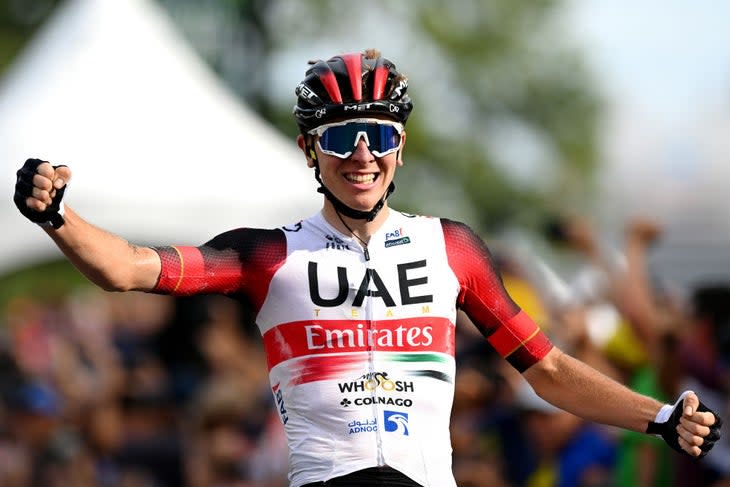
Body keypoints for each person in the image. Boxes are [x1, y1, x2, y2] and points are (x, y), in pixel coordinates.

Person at [12, 48, 722, 487]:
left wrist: (659, 415)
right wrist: (57, 216)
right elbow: (129, 268)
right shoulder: (268, 253)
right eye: (341, 135)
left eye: (378, 133)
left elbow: (548, 370)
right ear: (308, 149)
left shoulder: (452, 247)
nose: (361, 153)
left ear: (402, 146)